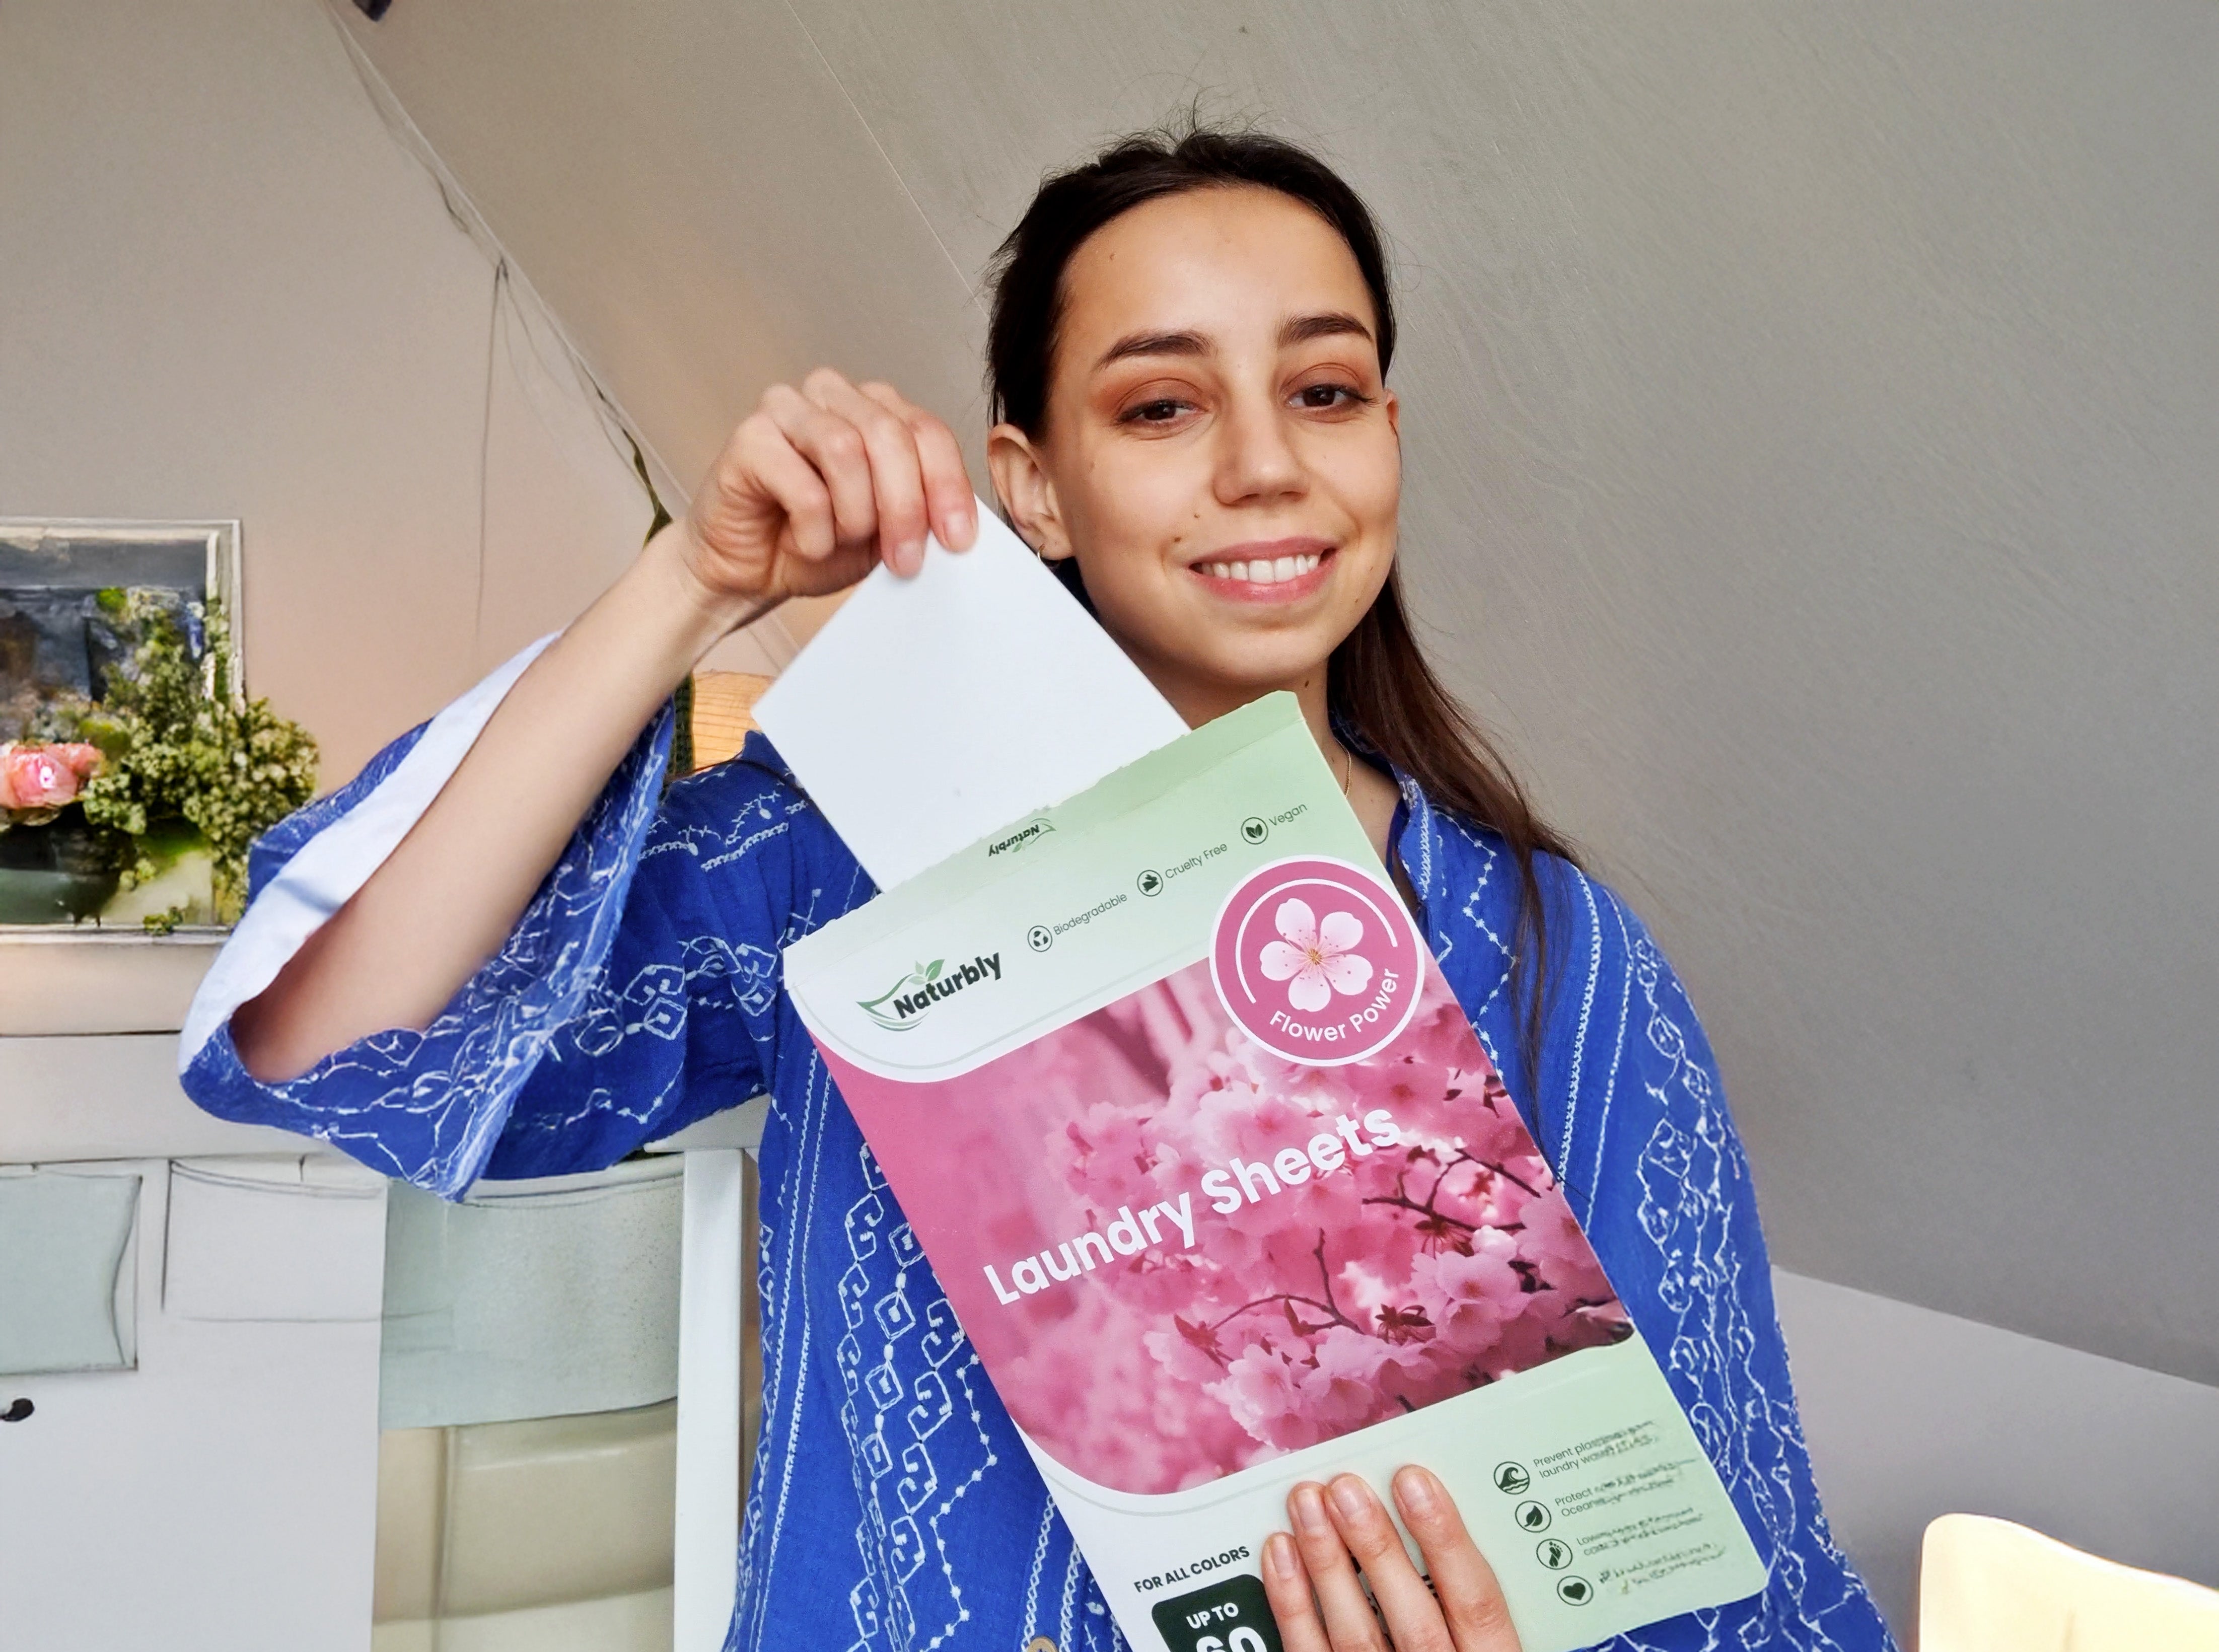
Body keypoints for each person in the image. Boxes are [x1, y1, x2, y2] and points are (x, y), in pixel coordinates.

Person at [185, 128, 1895, 1652]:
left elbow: (1719, 1547)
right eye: (1161, 405)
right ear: (1032, 486)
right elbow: (328, 1046)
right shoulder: (844, 865)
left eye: (1324, 390)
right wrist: (691, 584)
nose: (1266, 465)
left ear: (1388, 435)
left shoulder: (1552, 952)